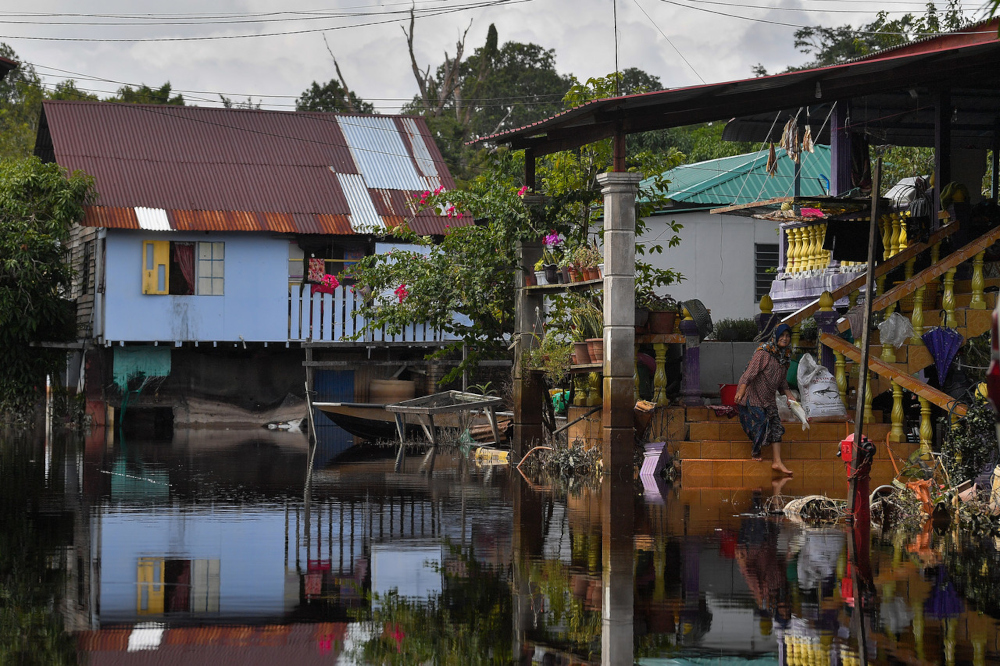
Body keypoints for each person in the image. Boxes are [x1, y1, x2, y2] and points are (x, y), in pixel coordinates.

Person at [734, 323, 795, 475]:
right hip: (753, 395)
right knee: (760, 421)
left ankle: (777, 462)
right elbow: (749, 373)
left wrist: (789, 395)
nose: (785, 339)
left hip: (769, 398)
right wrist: (741, 391)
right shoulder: (764, 353)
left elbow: (782, 381)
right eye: (782, 335)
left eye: (787, 336)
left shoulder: (785, 357)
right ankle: (756, 451)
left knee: (776, 427)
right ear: (775, 336)